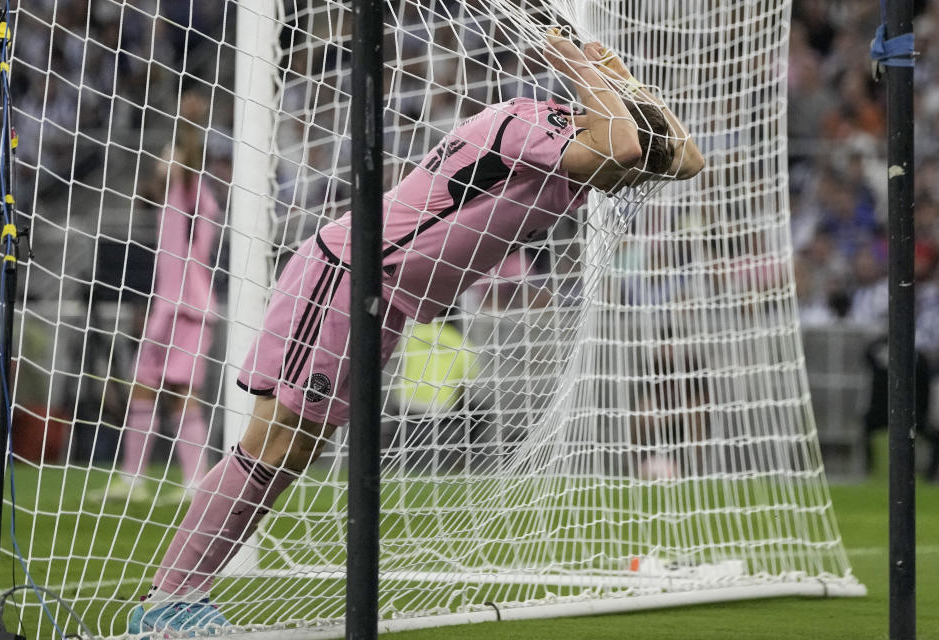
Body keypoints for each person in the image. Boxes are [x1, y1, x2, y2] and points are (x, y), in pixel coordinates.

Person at [128, 31, 704, 633]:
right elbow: (624, 141)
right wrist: (579, 65)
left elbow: (686, 159)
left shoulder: (580, 160)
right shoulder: (528, 121)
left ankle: (178, 598)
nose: (630, 175)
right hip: (352, 272)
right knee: (274, 442)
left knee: (293, 448)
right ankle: (170, 602)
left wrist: (619, 75)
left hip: (386, 299)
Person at [96, 90, 222, 503]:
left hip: (188, 309)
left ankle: (194, 482)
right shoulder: (169, 199)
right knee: (144, 387)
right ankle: (134, 479)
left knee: (182, 394)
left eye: (168, 156)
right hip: (169, 307)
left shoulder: (191, 191)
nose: (160, 162)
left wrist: (187, 125)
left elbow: (189, 160)